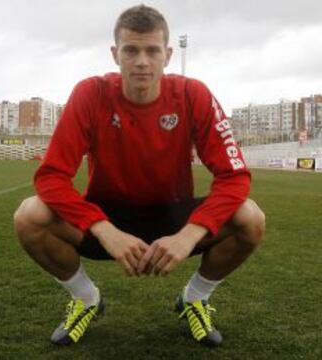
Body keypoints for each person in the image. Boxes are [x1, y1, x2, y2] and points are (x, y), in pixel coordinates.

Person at [14, 4, 265, 347]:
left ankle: (194, 299)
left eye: (152, 50)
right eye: (131, 50)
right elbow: (51, 176)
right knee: (30, 215)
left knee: (250, 217)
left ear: (168, 54)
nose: (142, 61)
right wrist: (103, 228)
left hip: (173, 217)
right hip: (108, 217)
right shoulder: (91, 93)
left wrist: (189, 234)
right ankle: (87, 299)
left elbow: (234, 177)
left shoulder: (194, 95)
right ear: (116, 54)